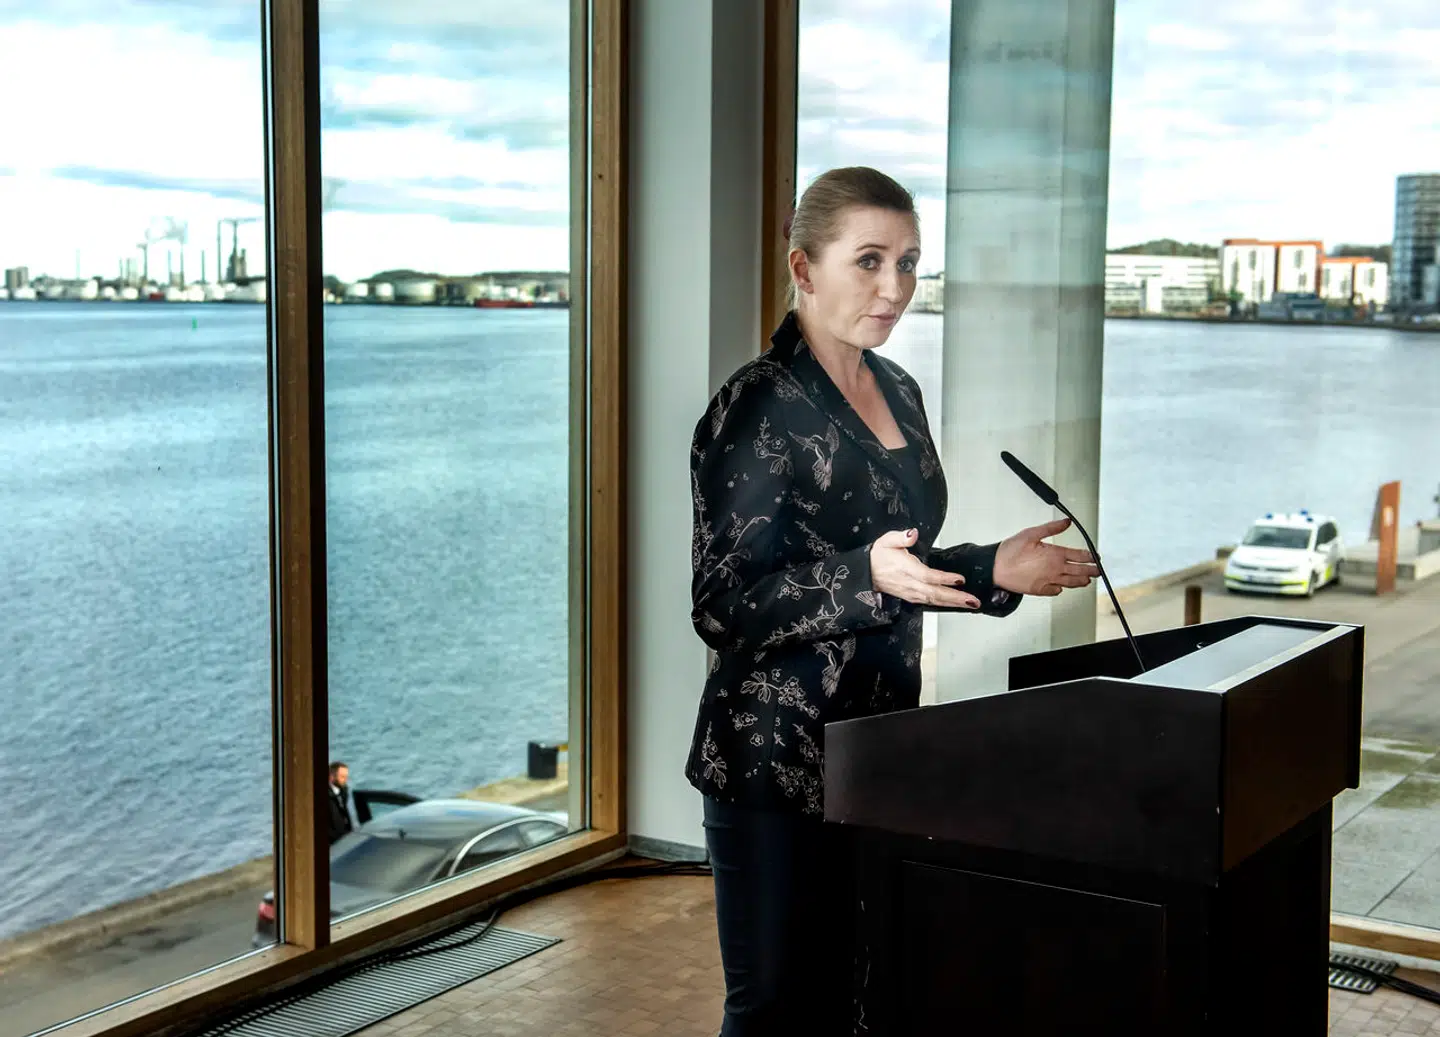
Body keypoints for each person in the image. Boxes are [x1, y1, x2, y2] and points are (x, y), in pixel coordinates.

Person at [685, 166, 1098, 1035]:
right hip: (773, 759)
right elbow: (722, 604)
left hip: (880, 745)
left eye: (909, 263)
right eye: (868, 260)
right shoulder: (755, 406)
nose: (894, 287)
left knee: (861, 998)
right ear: (803, 269)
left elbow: (899, 558)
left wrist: (994, 571)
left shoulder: (900, 389)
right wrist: (859, 576)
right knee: (773, 1010)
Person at [327, 761, 354, 845]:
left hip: (345, 838)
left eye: (346, 777)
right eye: (342, 777)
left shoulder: (344, 790)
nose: (345, 780)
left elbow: (345, 813)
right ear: (331, 777)